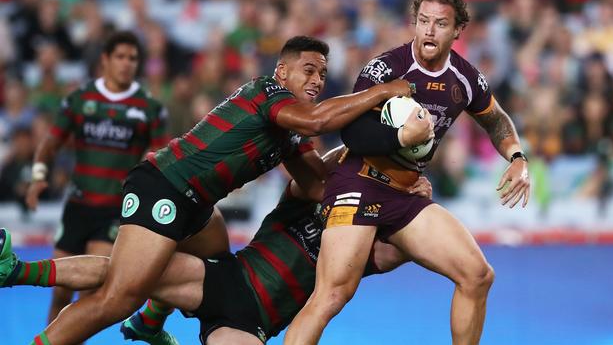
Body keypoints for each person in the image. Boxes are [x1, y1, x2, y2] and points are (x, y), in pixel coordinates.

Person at [23, 36, 429, 345]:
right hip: (164, 187)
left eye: (323, 73)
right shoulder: (268, 93)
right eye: (309, 69)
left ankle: (151, 320)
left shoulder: (292, 130)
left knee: (213, 260)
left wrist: (385, 165)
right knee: (119, 296)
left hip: (195, 204)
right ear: (282, 72)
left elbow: (317, 183)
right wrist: (379, 92)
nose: (318, 79)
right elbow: (318, 122)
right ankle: (20, 272)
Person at [285, 0, 531, 345]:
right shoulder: (385, 68)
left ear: (458, 29)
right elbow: (353, 133)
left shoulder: (465, 77)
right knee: (331, 296)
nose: (429, 30)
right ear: (414, 23)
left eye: (440, 24)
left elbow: (496, 120)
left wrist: (517, 157)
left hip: (405, 194)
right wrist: (403, 139)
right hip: (358, 182)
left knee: (477, 275)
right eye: (423, 21)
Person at [0, 148, 433, 345]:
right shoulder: (308, 194)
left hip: (250, 326)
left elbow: (403, 245)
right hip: (226, 278)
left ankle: (148, 321)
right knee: (125, 273)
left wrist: (411, 197)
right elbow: (342, 161)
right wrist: (378, 154)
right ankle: (16, 271)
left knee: (131, 276)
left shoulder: (367, 246)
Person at [24, 30, 169, 325]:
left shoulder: (149, 108)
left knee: (89, 288)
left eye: (133, 58)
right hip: (78, 205)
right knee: (61, 292)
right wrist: (39, 176)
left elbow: (161, 156)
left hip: (116, 210)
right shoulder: (80, 99)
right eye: (120, 57)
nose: (127, 63)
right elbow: (51, 142)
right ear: (105, 59)